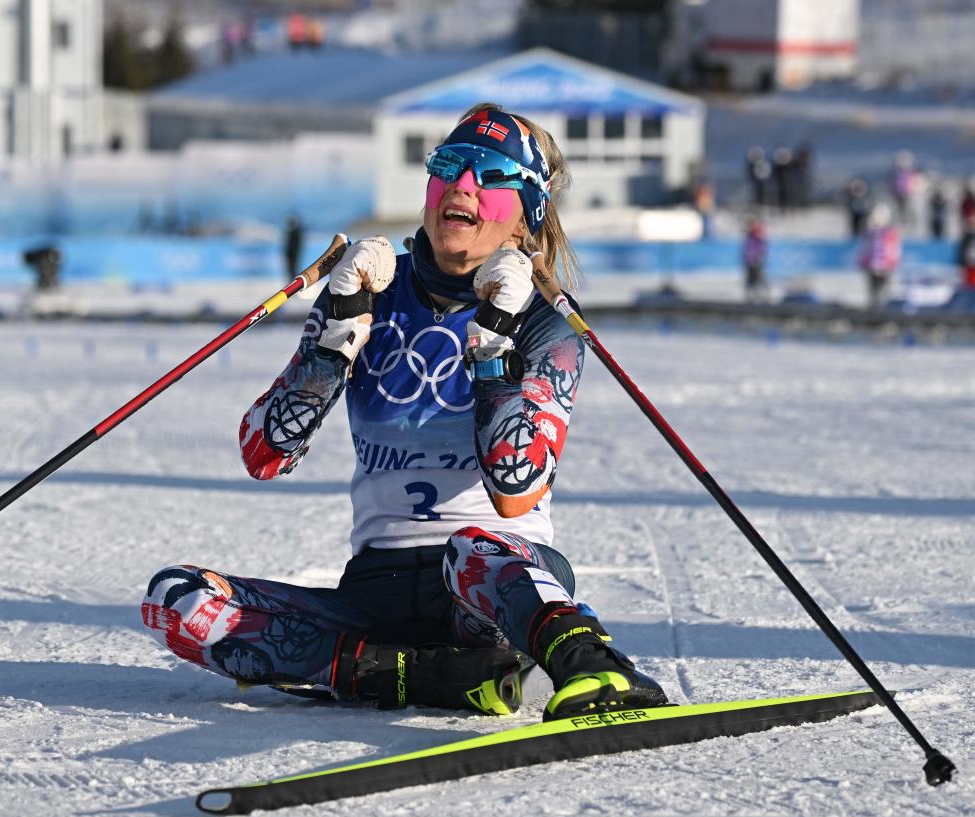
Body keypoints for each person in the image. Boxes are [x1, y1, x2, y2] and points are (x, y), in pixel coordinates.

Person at [140, 105, 668, 722]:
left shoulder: (546, 318)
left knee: (472, 547)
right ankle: (428, 677)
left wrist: (495, 344)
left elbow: (516, 491)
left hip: (490, 587)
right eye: (447, 167)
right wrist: (333, 342)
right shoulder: (367, 293)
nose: (462, 187)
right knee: (174, 599)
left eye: (491, 175)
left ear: (528, 217)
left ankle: (593, 668)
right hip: (377, 590)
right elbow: (264, 454)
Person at [858, 203, 901, 308]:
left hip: (885, 266)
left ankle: (882, 308)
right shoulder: (870, 233)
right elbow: (865, 248)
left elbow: (894, 250)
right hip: (873, 266)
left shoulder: (890, 233)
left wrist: (892, 262)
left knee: (884, 289)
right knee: (873, 289)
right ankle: (874, 308)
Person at [742, 215, 768, 302]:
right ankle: (751, 297)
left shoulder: (758, 234)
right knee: (750, 280)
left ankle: (762, 296)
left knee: (758, 278)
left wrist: (757, 257)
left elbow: (760, 248)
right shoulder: (749, 235)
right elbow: (747, 248)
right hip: (750, 260)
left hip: (756, 260)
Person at [283, 214, 303, 278]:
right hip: (292, 254)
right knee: (291, 269)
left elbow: (296, 245)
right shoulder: (293, 232)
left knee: (293, 269)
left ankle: (293, 282)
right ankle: (292, 282)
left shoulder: (295, 232)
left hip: (293, 254)